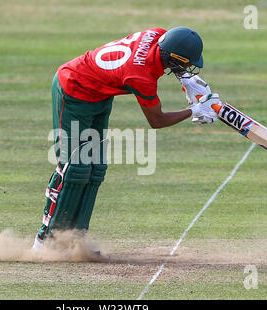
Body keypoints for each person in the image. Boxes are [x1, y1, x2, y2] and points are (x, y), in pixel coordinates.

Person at [32, 26, 221, 251]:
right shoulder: (139, 75)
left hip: (100, 94)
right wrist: (195, 110)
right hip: (73, 89)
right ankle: (43, 241)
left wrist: (186, 81)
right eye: (184, 64)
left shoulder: (158, 35)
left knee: (95, 167)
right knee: (73, 166)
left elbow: (162, 54)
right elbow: (157, 120)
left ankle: (74, 238)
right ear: (173, 59)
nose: (187, 67)